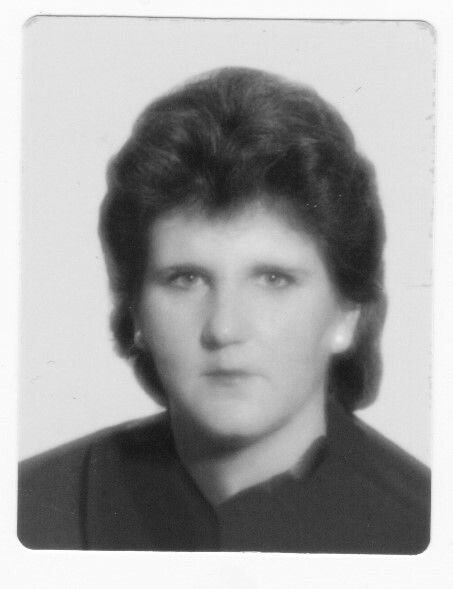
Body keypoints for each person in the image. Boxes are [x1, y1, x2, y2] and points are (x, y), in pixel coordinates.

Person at [18, 67, 430, 553]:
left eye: (273, 279)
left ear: (347, 314)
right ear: (135, 314)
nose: (225, 327)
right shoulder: (29, 513)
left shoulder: (426, 529)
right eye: (186, 279)